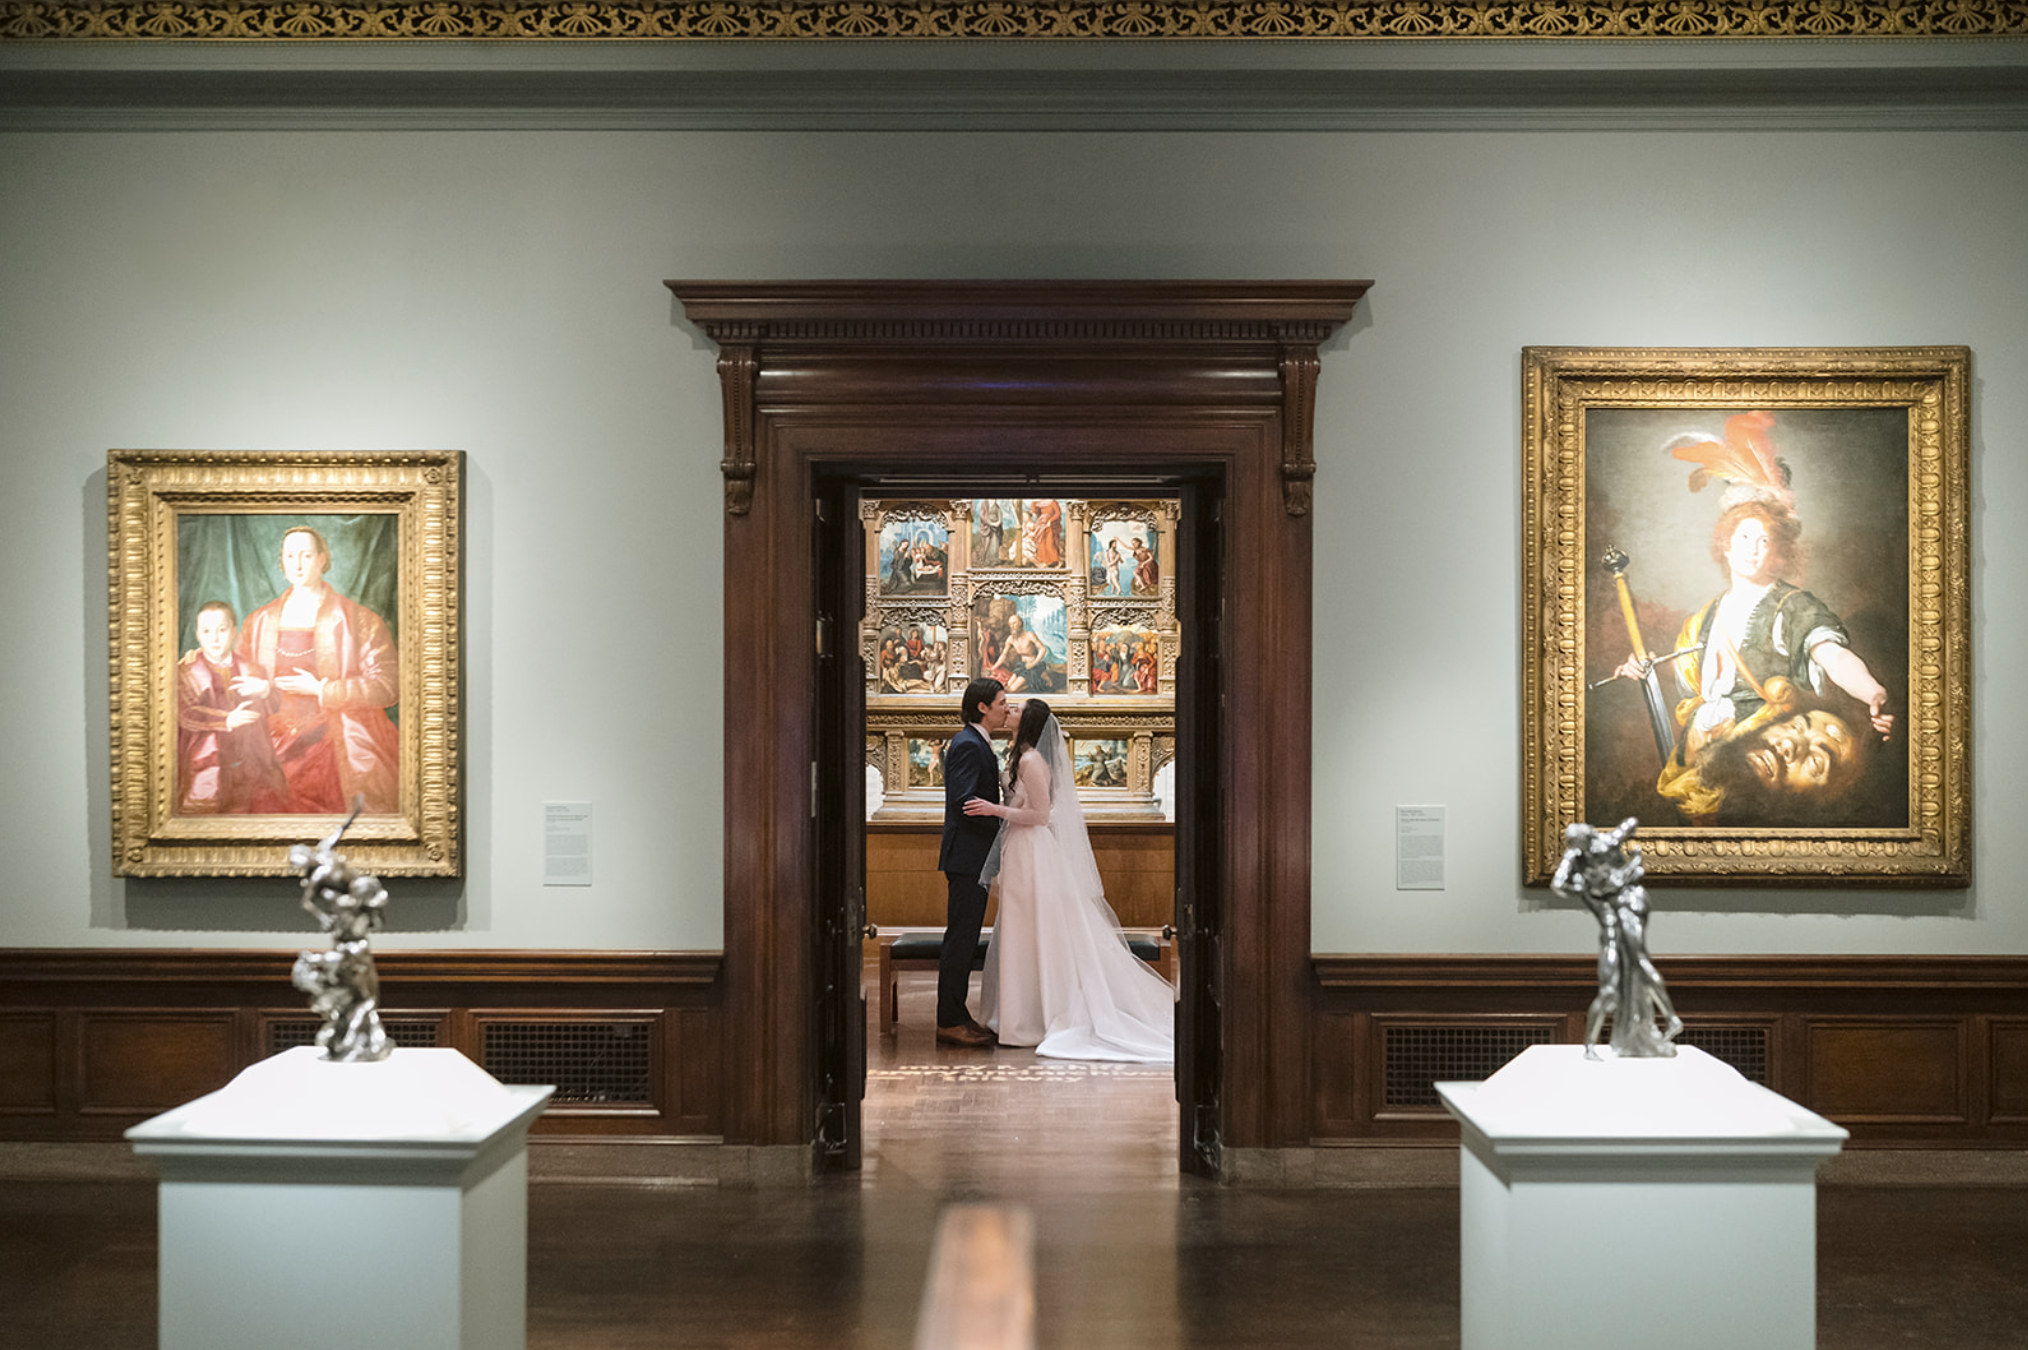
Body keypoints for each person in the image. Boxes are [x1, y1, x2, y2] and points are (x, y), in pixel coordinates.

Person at [965, 699, 1175, 1062]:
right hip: (1020, 849)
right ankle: (1019, 1014)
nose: (1009, 710)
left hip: (1033, 851)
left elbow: (1040, 814)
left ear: (1028, 721)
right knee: (1020, 929)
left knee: (1037, 928)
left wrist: (994, 809)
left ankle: (1036, 1017)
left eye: (1015, 709)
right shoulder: (1022, 755)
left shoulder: (1031, 760)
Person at [234, 525, 401, 814]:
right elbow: (236, 678)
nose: (297, 564)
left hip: (336, 741)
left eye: (306, 555)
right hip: (272, 742)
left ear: (322, 559)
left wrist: (323, 690)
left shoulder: (358, 620)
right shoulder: (258, 621)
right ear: (281, 561)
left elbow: (388, 685)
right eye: (289, 556)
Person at [935, 677, 1011, 1049]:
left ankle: (959, 1014)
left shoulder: (977, 742)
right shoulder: (967, 744)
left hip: (973, 856)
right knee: (960, 940)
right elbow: (965, 803)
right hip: (967, 856)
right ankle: (948, 1020)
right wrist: (1005, 821)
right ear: (982, 707)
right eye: (1001, 701)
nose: (1006, 707)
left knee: (965, 939)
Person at [175, 600, 290, 815]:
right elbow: (186, 713)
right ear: (198, 635)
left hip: (252, 767)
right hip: (207, 767)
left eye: (222, 630)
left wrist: (266, 690)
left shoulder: (253, 669)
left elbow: (274, 706)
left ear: (233, 631)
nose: (215, 638)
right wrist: (226, 720)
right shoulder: (187, 672)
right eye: (207, 631)